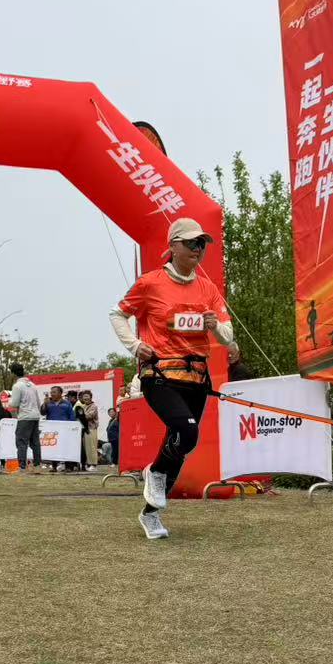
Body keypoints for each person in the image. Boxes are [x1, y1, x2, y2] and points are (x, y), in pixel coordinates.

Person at [109, 216, 237, 539]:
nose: (198, 249)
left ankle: (150, 514)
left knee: (183, 442)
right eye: (192, 243)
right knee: (186, 431)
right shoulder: (150, 283)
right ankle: (155, 471)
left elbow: (227, 334)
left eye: (202, 244)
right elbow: (117, 314)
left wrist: (216, 328)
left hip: (197, 378)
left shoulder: (208, 288)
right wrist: (135, 345)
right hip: (159, 375)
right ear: (173, 246)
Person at [7, 363, 43, 473]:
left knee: (21, 442)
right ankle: (37, 466)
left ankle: (22, 467)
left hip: (24, 417)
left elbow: (14, 404)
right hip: (35, 416)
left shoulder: (17, 386)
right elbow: (38, 403)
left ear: (13, 374)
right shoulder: (32, 385)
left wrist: (9, 400)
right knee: (35, 442)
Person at [43, 386, 75, 472]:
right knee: (53, 447)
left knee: (66, 447)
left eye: (54, 392)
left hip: (64, 429)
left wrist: (71, 427)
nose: (52, 394)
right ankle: (54, 466)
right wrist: (45, 404)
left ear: (60, 393)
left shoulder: (67, 403)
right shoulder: (48, 402)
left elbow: (72, 416)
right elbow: (42, 412)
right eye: (51, 392)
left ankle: (68, 466)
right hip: (52, 429)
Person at [77, 389, 100, 472]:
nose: (85, 398)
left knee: (92, 447)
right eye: (84, 396)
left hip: (91, 428)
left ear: (90, 397)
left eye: (87, 396)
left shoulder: (93, 406)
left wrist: (81, 415)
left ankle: (94, 465)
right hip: (84, 429)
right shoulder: (83, 406)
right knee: (86, 448)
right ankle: (88, 464)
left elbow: (89, 416)